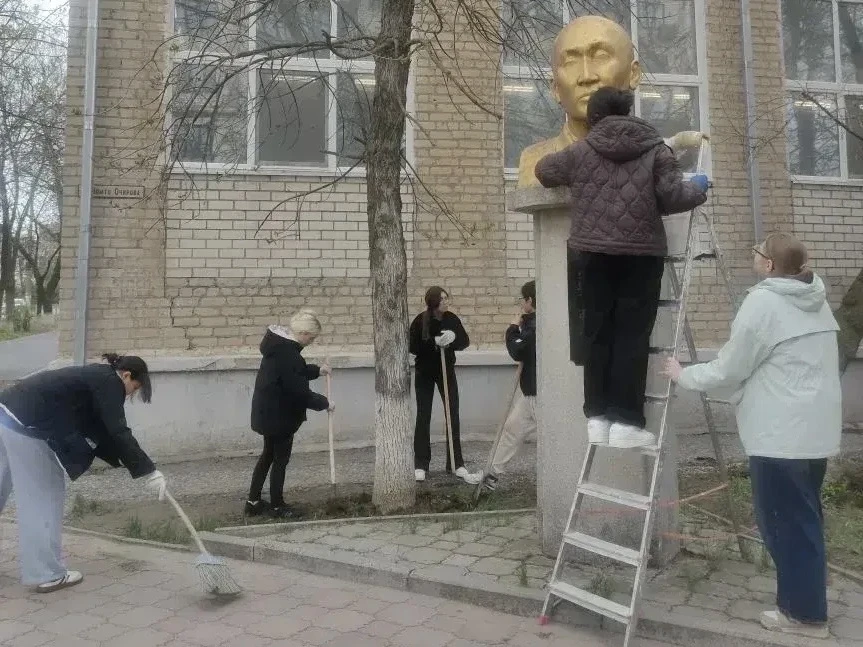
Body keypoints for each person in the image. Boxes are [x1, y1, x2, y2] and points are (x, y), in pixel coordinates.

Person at [664, 233, 841, 640]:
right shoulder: (814, 297)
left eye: (758, 252)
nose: (753, 255)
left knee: (783, 522)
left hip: (780, 434)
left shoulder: (764, 302)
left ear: (770, 265)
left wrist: (684, 374)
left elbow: (731, 367)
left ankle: (803, 615)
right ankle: (810, 585)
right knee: (804, 516)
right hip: (814, 432)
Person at [535, 86, 709, 449]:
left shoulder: (581, 150)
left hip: (592, 253)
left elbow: (544, 171)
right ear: (628, 113)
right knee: (631, 335)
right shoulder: (656, 149)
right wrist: (699, 187)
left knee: (597, 333)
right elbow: (673, 197)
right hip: (640, 255)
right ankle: (626, 421)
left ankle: (597, 418)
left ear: (594, 118)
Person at [0, 353, 166, 593]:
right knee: (44, 497)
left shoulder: (96, 376)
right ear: (127, 375)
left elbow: (99, 428)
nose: (130, 394)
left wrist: (134, 465)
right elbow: (118, 430)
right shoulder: (111, 383)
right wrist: (149, 471)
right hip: (26, 424)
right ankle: (47, 573)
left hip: (6, 411)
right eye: (134, 388)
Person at [247, 309, 333, 519]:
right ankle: (277, 506)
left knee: (268, 456)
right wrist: (325, 403)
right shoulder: (289, 354)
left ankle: (253, 502)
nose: (310, 342)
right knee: (280, 460)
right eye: (311, 338)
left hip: (268, 413)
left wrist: (317, 371)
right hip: (280, 417)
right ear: (303, 333)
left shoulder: (278, 348)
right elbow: (298, 391)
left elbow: (295, 374)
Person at [410, 287, 481, 484]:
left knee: (452, 413)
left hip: (446, 372)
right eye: (442, 299)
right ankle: (421, 464)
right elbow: (413, 346)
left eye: (446, 298)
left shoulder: (451, 319)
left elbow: (465, 341)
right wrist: (434, 342)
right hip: (425, 373)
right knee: (423, 415)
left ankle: (456, 463)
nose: (445, 301)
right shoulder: (420, 321)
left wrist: (453, 339)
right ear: (433, 302)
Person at [482, 280, 537, 492]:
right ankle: (492, 475)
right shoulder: (530, 323)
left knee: (553, 439)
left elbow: (518, 351)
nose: (521, 304)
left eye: (522, 299)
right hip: (529, 394)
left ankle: (562, 480)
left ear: (530, 300)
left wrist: (513, 328)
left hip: (541, 394)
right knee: (512, 429)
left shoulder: (536, 325)